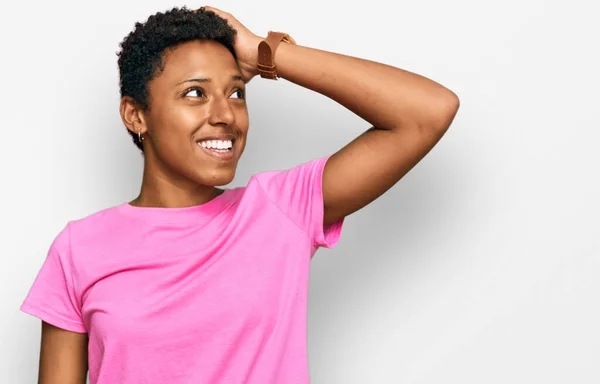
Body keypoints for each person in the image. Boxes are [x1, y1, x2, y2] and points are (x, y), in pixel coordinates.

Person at [20, 6, 459, 384]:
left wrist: (265, 53)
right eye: (195, 93)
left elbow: (426, 111)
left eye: (236, 92)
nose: (225, 114)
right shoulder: (79, 248)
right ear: (136, 115)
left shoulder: (279, 209)